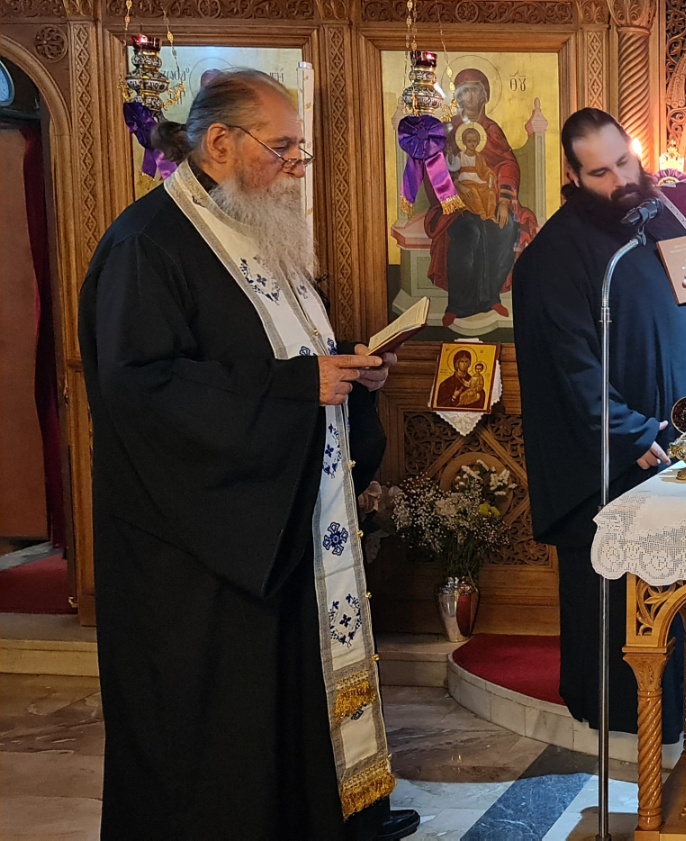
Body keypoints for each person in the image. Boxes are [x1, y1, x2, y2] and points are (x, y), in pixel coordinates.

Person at [79, 70, 417, 839]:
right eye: (283, 147)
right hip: (198, 549)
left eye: (300, 149)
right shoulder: (148, 244)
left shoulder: (252, 226)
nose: (297, 165)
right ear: (220, 143)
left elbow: (275, 352)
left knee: (282, 700)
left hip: (276, 521)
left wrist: (347, 371)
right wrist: (300, 387)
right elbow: (143, 390)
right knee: (214, 729)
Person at [512, 108, 686, 741]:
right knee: (656, 580)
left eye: (624, 162)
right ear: (572, 176)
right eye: (600, 173)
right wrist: (629, 433)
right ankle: (650, 707)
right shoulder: (555, 254)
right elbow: (567, 364)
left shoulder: (665, 210)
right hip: (647, 454)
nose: (620, 181)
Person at [427, 67, 539, 328]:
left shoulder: (492, 130)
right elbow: (437, 168)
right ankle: (457, 305)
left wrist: (503, 201)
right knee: (469, 233)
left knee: (505, 229)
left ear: (484, 96)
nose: (467, 97)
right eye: (463, 92)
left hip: (489, 200)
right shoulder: (449, 130)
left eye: (473, 91)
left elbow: (507, 164)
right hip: (456, 204)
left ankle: (490, 298)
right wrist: (453, 193)